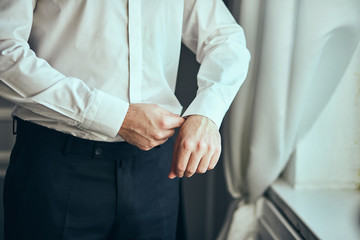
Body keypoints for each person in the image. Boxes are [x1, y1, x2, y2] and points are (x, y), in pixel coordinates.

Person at [0, 0, 250, 239]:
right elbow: (4, 51)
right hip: (56, 167)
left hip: (154, 172)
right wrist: (117, 117)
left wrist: (207, 112)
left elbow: (225, 39)